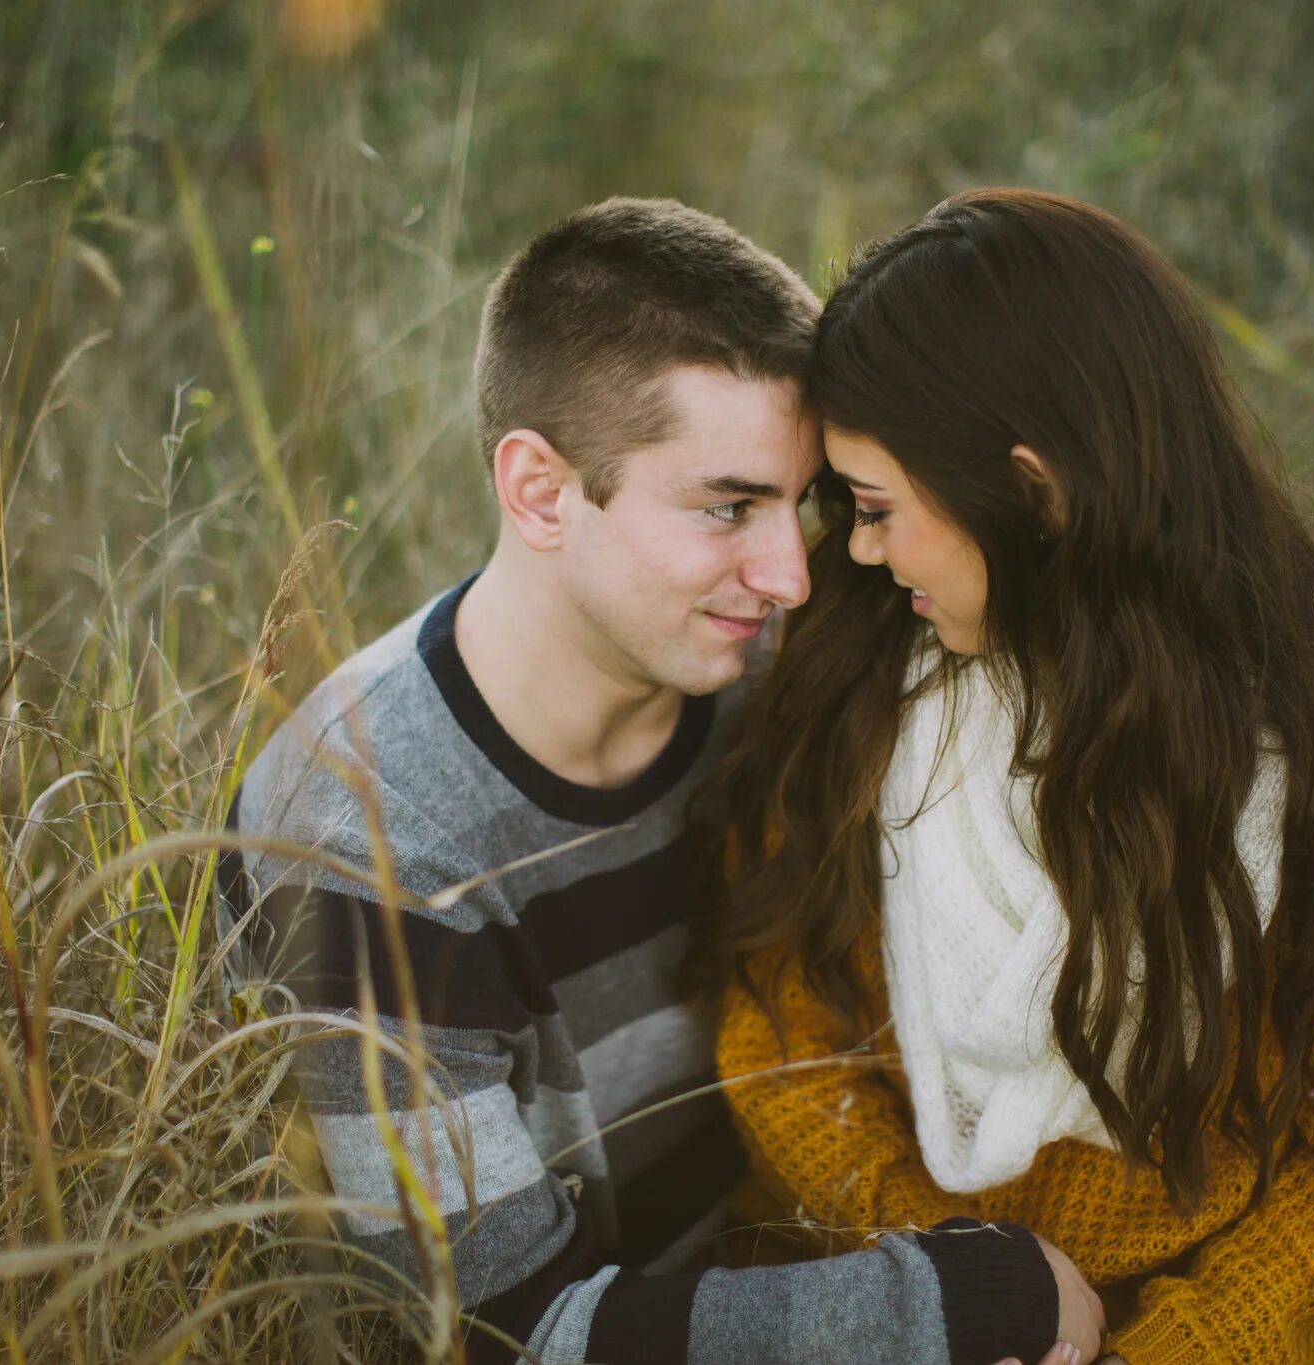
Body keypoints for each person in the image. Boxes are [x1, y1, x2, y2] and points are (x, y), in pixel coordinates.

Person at [219, 197, 1098, 1365]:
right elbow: (497, 1329)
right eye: (726, 508)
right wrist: (942, 1307)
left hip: (849, 1238)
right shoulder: (362, 843)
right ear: (538, 490)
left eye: (805, 506)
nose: (789, 575)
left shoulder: (778, 677)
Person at [707, 189, 1314, 1365]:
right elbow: (774, 1014)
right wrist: (947, 1290)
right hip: (891, 1315)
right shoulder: (855, 659)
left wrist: (1180, 1344)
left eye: (877, 509)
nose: (859, 551)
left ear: (1035, 489)